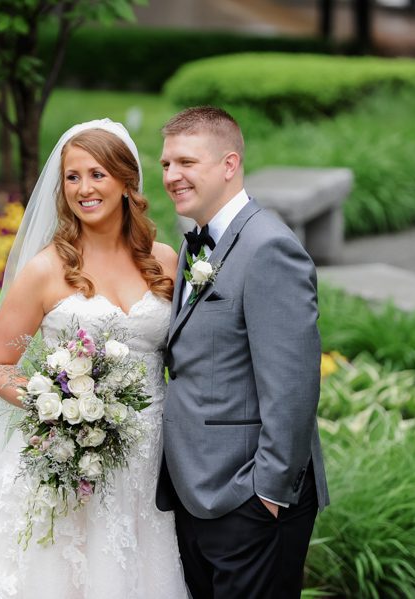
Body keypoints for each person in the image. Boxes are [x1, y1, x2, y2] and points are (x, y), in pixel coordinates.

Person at [0, 119, 188, 598]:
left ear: (127, 182)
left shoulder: (165, 262)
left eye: (97, 174)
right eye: (72, 177)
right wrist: (52, 411)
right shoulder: (46, 270)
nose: (84, 189)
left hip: (149, 464)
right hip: (66, 463)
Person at [156, 106, 330, 599]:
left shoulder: (269, 248)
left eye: (187, 162)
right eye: (167, 164)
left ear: (229, 165)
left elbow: (293, 387)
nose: (172, 175)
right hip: (199, 492)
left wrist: (267, 497)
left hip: (248, 501)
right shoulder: (200, 243)